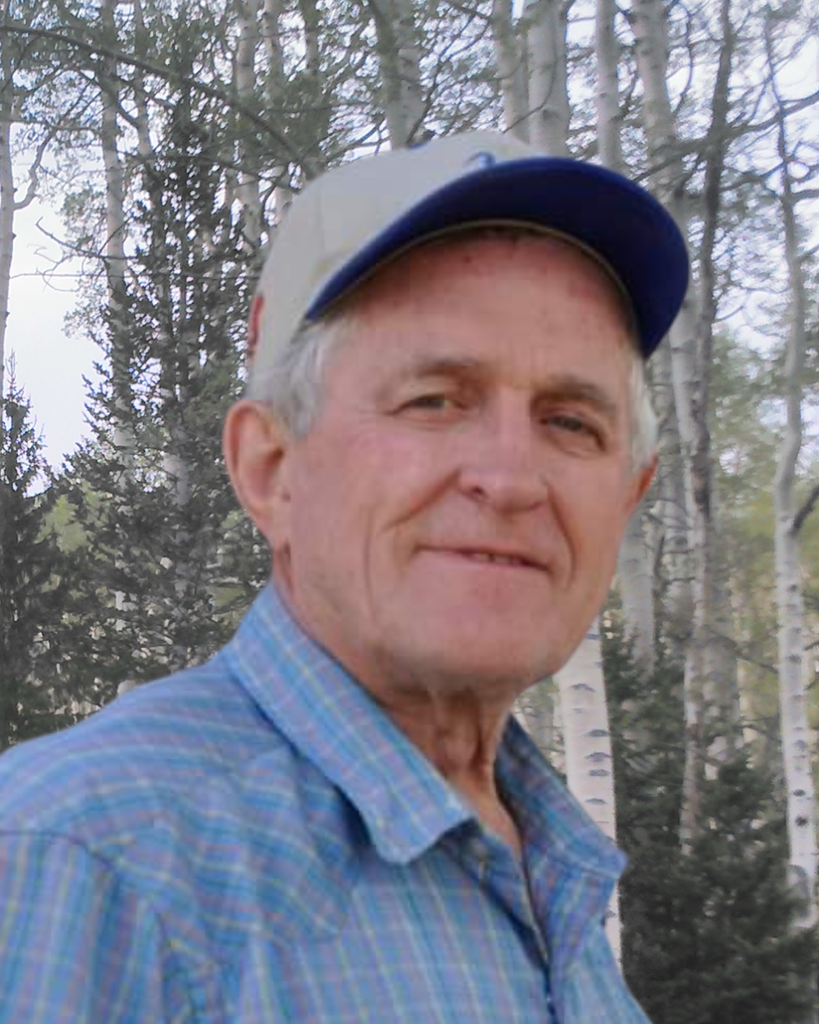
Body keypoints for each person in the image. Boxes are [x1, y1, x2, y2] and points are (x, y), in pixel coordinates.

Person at [0, 131, 688, 1023]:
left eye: (569, 422)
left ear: (627, 496)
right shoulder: (78, 866)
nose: (512, 478)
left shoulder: (551, 867)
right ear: (271, 470)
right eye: (434, 400)